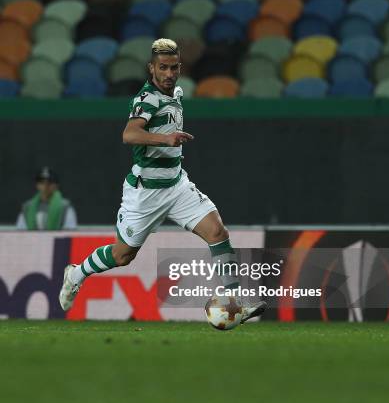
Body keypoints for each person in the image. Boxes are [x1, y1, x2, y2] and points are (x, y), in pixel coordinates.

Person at [59, 38, 266, 324]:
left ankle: (236, 303)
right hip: (146, 193)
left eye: (174, 68)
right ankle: (77, 273)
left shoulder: (176, 94)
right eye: (163, 68)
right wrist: (165, 138)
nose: (169, 74)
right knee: (122, 256)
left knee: (217, 232)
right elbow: (129, 134)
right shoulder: (146, 99)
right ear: (151, 68)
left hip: (177, 186)